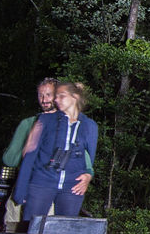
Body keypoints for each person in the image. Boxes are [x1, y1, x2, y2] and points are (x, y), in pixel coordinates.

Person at [14, 81, 97, 219]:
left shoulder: (90, 125)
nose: (56, 100)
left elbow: (90, 158)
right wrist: (21, 191)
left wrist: (88, 176)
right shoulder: (45, 120)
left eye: (61, 96)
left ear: (75, 97)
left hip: (72, 186)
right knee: (32, 229)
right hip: (42, 182)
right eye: (56, 96)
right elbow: (30, 156)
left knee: (64, 231)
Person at [1, 78, 57, 223]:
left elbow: (85, 165)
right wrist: (29, 150)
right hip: (23, 186)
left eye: (49, 95)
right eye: (40, 95)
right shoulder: (28, 123)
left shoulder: (68, 126)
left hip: (51, 194)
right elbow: (9, 159)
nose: (44, 100)